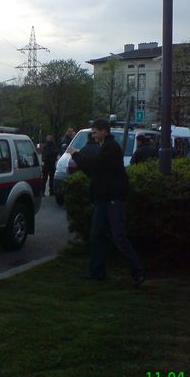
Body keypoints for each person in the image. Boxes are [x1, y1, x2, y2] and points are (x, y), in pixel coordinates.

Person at [66, 118, 145, 286]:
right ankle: (97, 272)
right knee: (97, 236)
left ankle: (138, 272)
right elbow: (94, 170)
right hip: (103, 200)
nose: (93, 135)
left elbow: (95, 166)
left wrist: (76, 154)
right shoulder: (106, 147)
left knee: (119, 238)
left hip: (113, 200)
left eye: (95, 132)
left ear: (104, 131)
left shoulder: (111, 148)